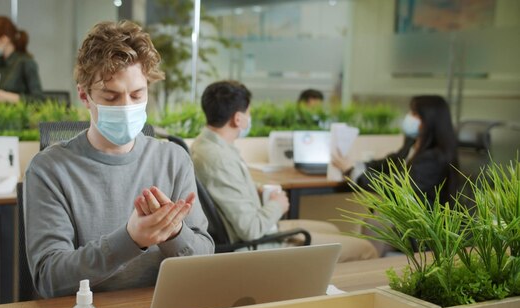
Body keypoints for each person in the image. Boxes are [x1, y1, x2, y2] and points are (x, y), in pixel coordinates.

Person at [25, 20, 214, 298]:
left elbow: (204, 262)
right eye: (111, 97)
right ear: (84, 95)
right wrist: (131, 239)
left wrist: (174, 234)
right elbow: (50, 278)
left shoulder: (172, 159)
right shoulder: (49, 170)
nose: (127, 107)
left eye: (137, 94)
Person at [191, 80, 378, 262]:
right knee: (367, 250)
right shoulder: (219, 159)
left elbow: (227, 185)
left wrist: (258, 188)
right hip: (261, 244)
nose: (249, 118)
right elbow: (251, 230)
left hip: (266, 230)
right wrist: (278, 205)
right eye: (248, 113)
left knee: (333, 230)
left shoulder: (205, 145)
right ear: (237, 119)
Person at [332, 95, 459, 255]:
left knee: (376, 224)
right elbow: (388, 163)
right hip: (404, 217)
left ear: (429, 120)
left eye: (414, 114)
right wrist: (358, 165)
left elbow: (399, 191)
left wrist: (352, 171)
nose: (409, 117)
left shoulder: (434, 157)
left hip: (421, 225)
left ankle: (370, 270)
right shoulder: (413, 144)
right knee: (375, 222)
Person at [0, 16, 44, 103]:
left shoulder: (25, 62)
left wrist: (6, 96)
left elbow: (39, 100)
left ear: (4, 39)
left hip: (20, 114)